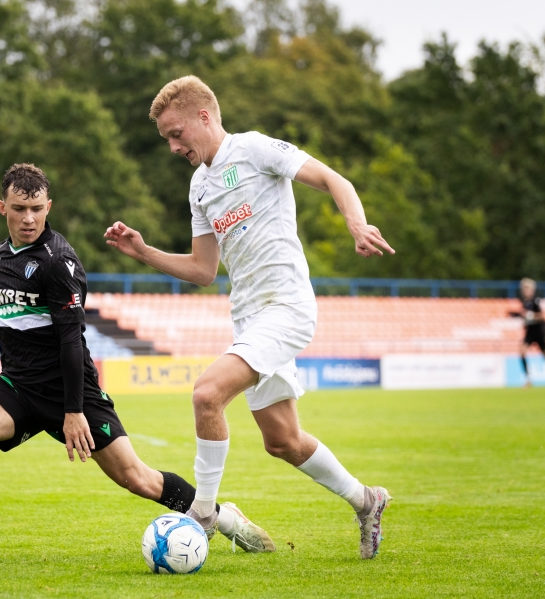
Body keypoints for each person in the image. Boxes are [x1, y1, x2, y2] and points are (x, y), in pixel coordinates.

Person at [0, 163, 272, 563]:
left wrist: (73, 411)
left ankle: (225, 519)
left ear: (48, 207)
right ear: (2, 208)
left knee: (137, 478)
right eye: (19, 209)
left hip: (70, 391)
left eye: (36, 209)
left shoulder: (57, 261)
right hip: (18, 386)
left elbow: (70, 341)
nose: (28, 219)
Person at [104, 76, 394, 559]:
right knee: (282, 441)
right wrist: (144, 251)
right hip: (249, 318)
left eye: (176, 133)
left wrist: (356, 224)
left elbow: (334, 180)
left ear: (204, 117)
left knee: (206, 394)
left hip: (286, 306)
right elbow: (203, 270)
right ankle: (367, 501)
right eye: (167, 139)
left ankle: (202, 513)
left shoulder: (254, 149)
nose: (173, 146)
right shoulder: (199, 186)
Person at [514, 278, 545, 390]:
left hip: (539, 332)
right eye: (523, 289)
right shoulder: (525, 303)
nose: (525, 291)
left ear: (532, 289)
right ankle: (528, 379)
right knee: (522, 352)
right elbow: (525, 316)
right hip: (530, 332)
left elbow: (542, 316)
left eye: (527, 288)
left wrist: (530, 315)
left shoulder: (536, 301)